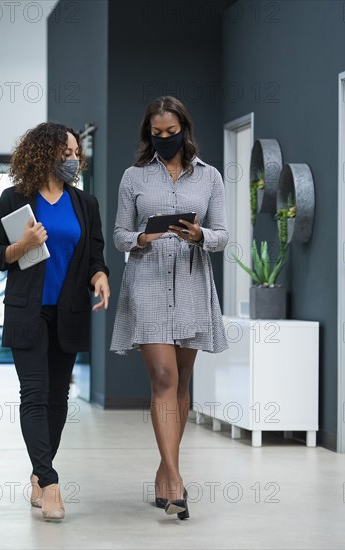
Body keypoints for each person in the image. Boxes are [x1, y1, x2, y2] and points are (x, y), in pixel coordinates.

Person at [0, 122, 110, 521]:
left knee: (58, 399)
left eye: (76, 153)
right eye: (65, 153)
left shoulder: (84, 204)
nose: (72, 159)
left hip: (67, 313)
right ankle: (50, 481)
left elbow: (94, 255)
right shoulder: (14, 199)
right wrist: (23, 246)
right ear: (43, 154)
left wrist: (100, 275)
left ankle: (38, 475)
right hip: (28, 310)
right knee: (34, 395)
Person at [110, 96, 229, 520]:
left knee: (182, 383)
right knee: (163, 376)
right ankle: (177, 481)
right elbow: (120, 234)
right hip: (148, 281)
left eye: (170, 132)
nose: (164, 139)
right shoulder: (134, 177)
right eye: (156, 134)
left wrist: (200, 235)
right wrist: (142, 239)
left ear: (184, 130)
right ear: (149, 135)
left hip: (193, 279)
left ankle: (164, 471)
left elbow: (223, 235)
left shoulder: (210, 176)